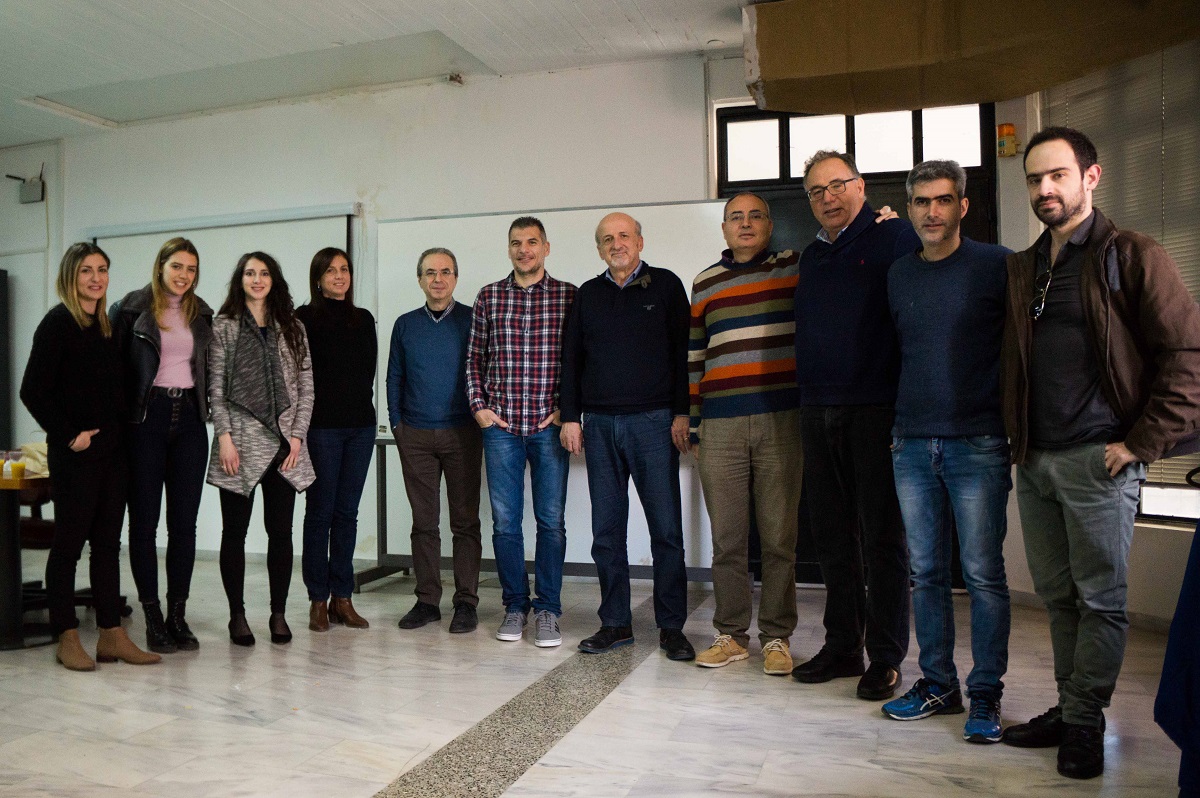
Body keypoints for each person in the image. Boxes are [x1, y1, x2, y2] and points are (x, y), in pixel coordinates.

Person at [999, 126, 1200, 780]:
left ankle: (1086, 721)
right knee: (1058, 598)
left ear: (1091, 176)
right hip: (1036, 462)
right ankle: (1070, 708)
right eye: (1034, 178)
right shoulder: (1026, 266)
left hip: (1098, 462)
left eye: (1057, 174)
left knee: (1100, 601)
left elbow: (1187, 358)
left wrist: (1140, 443)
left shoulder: (1134, 255)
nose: (1045, 188)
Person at [881, 160, 1013, 743]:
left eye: (941, 200)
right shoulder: (899, 273)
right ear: (909, 208)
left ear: (962, 205)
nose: (931, 211)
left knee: (982, 575)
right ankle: (938, 683)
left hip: (977, 442)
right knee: (926, 573)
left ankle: (986, 694)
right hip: (911, 442)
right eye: (920, 201)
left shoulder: (997, 265)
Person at [791, 150, 919, 701]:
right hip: (816, 410)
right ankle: (843, 646)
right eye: (816, 191)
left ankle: (886, 657)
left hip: (875, 410)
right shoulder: (812, 256)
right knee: (831, 536)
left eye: (837, 185)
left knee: (883, 537)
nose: (828, 198)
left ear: (861, 186)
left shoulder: (895, 237)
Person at [559, 212, 694, 661]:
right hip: (599, 425)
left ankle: (671, 627)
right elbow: (571, 360)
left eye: (623, 236)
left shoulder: (666, 285)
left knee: (666, 530)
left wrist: (683, 412)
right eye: (606, 239)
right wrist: (571, 417)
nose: (616, 244)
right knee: (607, 532)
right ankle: (615, 623)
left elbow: (684, 353)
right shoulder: (588, 294)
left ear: (639, 241)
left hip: (654, 423)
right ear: (599, 249)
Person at [21, 242, 161, 670]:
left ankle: (111, 634)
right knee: (68, 545)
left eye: (102, 270)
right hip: (76, 455)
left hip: (113, 453)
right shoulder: (57, 323)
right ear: (71, 275)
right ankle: (65, 636)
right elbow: (33, 390)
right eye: (87, 270)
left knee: (106, 545)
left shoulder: (107, 326)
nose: (96, 278)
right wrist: (69, 436)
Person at [687, 193, 802, 675]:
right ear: (724, 229)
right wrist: (695, 425)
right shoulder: (705, 282)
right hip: (720, 425)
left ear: (769, 225)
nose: (746, 224)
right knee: (728, 541)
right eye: (736, 217)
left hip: (782, 420)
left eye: (756, 216)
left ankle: (776, 637)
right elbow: (695, 358)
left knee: (779, 539)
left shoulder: (794, 268)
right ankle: (731, 635)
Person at [466, 216, 576, 647]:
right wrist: (479, 407)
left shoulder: (569, 296)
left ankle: (548, 609)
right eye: (516, 243)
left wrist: (568, 410)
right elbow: (474, 359)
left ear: (546, 247)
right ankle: (515, 606)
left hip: (549, 426)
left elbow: (581, 360)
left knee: (551, 522)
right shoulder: (489, 296)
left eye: (532, 242)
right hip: (502, 428)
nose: (524, 249)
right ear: (509, 249)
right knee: (505, 523)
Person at [110, 237, 213, 654]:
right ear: (160, 267)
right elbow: (115, 372)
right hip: (145, 418)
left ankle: (177, 616)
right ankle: (152, 617)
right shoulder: (130, 309)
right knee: (144, 523)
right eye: (177, 266)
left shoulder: (202, 312)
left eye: (191, 268)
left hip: (189, 419)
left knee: (184, 524)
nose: (184, 275)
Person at [207, 251, 315, 647]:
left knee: (281, 532)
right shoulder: (224, 326)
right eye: (250, 273)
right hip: (238, 443)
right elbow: (216, 388)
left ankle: (278, 613)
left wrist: (298, 436)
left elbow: (307, 387)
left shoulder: (293, 327)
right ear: (240, 280)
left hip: (286, 445)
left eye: (264, 273)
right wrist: (224, 438)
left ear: (274, 279)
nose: (257, 279)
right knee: (234, 532)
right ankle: (237, 615)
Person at [388, 247, 483, 634]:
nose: (438, 279)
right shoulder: (405, 325)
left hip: (463, 433)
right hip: (416, 435)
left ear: (456, 278)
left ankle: (466, 603)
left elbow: (486, 370)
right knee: (424, 523)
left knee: (465, 522)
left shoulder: (473, 320)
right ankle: (427, 601)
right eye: (430, 272)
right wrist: (397, 424)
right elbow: (394, 376)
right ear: (420, 279)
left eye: (445, 272)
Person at [296, 248, 376, 632]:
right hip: (321, 429)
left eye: (344, 269)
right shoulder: (302, 319)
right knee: (320, 513)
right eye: (331, 270)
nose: (340, 276)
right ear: (318, 278)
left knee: (347, 513)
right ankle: (317, 598)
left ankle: (342, 598)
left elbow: (367, 372)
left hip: (360, 427)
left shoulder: (364, 319)